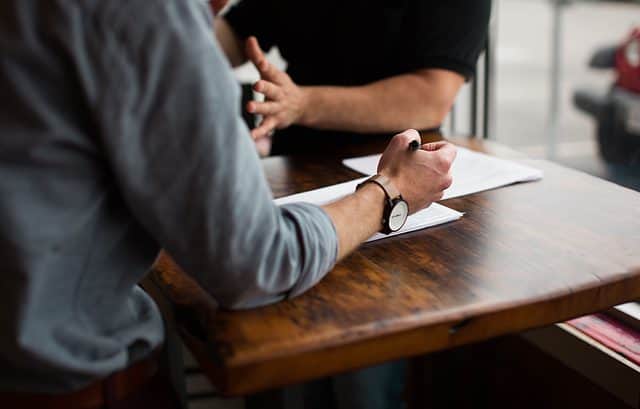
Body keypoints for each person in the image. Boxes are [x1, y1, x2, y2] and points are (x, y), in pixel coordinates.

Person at [0, 1, 456, 408]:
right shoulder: (153, 16)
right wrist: (389, 191)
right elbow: (258, 262)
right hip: (61, 379)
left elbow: (433, 94)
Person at [214, 0, 492, 155]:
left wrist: (301, 104)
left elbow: (430, 96)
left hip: (397, 165)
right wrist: (181, 27)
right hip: (297, 157)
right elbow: (238, 34)